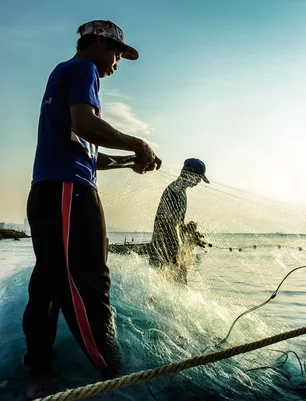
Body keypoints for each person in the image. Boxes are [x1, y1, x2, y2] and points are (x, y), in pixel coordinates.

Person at [23, 20, 162, 399]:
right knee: (88, 280)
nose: (117, 62)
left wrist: (128, 160)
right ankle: (112, 372)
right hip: (68, 193)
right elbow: (86, 125)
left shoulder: (63, 74)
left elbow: (86, 150)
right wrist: (139, 143)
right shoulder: (83, 69)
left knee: (51, 280)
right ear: (98, 43)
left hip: (56, 190)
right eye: (117, 52)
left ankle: (39, 372)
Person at [148, 158, 209, 284]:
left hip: (164, 247)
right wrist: (176, 254)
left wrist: (190, 232)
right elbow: (169, 224)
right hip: (165, 249)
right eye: (198, 178)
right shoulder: (175, 192)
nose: (198, 182)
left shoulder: (179, 190)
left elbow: (174, 223)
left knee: (164, 289)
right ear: (191, 173)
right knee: (174, 286)